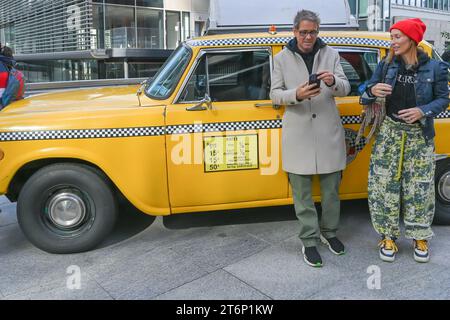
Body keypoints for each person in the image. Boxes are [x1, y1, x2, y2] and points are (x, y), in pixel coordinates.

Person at [360, 18, 449, 263]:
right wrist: (371, 91)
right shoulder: (386, 65)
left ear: (412, 39)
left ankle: (419, 236)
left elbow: (443, 99)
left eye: (398, 37)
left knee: (419, 187)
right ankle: (387, 236)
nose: (393, 42)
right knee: (384, 186)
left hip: (419, 136)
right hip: (389, 133)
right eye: (392, 37)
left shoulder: (435, 69)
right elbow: (364, 92)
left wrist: (423, 110)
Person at [270, 10, 351, 267]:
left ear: (318, 31)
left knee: (331, 193)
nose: (308, 37)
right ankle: (309, 241)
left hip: (328, 134)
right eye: (303, 32)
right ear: (294, 32)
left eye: (313, 32)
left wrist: (333, 81)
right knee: (302, 195)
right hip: (298, 136)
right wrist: (297, 93)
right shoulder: (280, 58)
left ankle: (330, 234)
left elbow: (346, 87)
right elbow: (274, 95)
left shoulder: (332, 54)